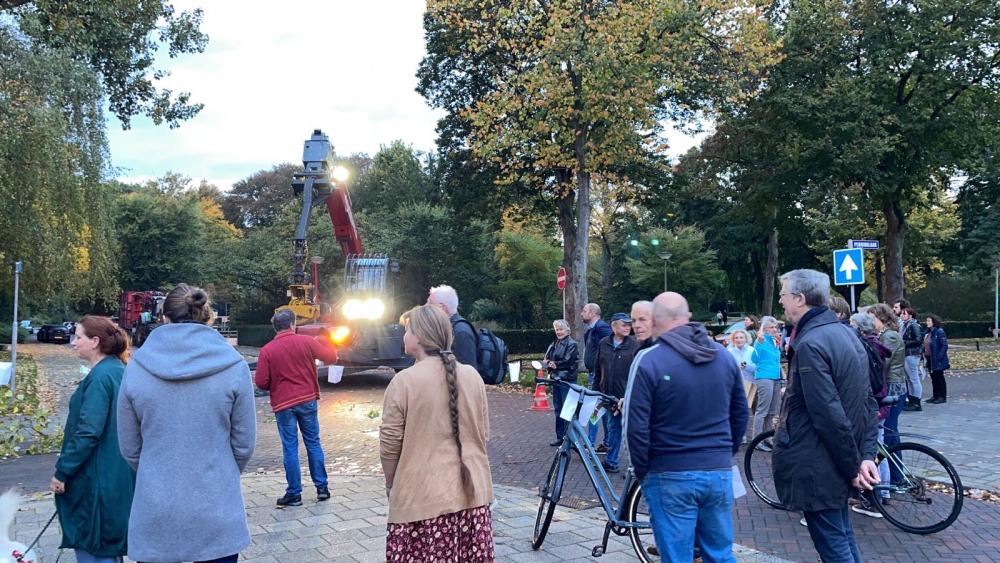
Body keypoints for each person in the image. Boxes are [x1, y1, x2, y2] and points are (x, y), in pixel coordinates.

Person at [117, 284, 257, 563]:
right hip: (216, 504)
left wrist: (157, 471)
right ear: (208, 317)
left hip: (156, 506)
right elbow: (244, 445)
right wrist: (220, 472)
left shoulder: (135, 368)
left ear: (164, 318)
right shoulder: (234, 366)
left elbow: (130, 448)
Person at [626, 292, 748, 563]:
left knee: (677, 556)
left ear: (656, 321)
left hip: (669, 471)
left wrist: (643, 471)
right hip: (718, 471)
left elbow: (635, 426)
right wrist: (723, 455)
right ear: (689, 317)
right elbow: (740, 414)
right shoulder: (723, 356)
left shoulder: (649, 360)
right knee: (720, 554)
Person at [772, 270, 878, 563]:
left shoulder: (809, 343)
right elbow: (867, 400)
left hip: (819, 463)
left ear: (800, 299)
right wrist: (864, 455)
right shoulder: (847, 333)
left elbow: (828, 414)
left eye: (783, 295)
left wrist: (854, 466)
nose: (780, 301)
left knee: (834, 546)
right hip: (836, 459)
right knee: (842, 537)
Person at [380, 305, 494, 562]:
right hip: (472, 495)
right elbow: (483, 434)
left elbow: (389, 444)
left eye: (407, 330)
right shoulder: (472, 376)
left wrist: (390, 484)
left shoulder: (404, 381)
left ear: (419, 336)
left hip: (422, 499)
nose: (403, 336)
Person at [52, 316, 135, 563]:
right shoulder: (117, 370)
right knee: (108, 543)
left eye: (78, 337)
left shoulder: (101, 377)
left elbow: (88, 431)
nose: (73, 343)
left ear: (95, 341)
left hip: (96, 476)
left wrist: (62, 472)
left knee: (94, 543)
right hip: (116, 473)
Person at [254, 308, 340, 506]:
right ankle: (322, 488)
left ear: (275, 327)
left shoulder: (267, 350)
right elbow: (331, 358)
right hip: (307, 399)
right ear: (292, 324)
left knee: (290, 448)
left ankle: (294, 494)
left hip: (284, 404)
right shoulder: (306, 342)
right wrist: (326, 339)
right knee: (313, 442)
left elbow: (261, 382)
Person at [848, 313, 892, 518]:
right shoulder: (877, 345)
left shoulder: (863, 347)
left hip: (870, 402)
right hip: (880, 397)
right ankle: (881, 492)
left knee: (870, 451)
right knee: (878, 447)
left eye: (851, 325)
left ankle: (874, 500)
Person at [593, 313, 639, 474]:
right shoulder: (603, 343)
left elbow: (639, 374)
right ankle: (611, 461)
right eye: (624, 324)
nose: (628, 327)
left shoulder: (635, 345)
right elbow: (598, 369)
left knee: (633, 432)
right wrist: (595, 393)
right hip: (608, 396)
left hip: (628, 398)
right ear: (614, 326)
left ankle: (637, 466)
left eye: (629, 324)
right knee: (613, 429)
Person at [868, 304, 906, 458]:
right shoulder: (883, 335)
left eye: (872, 319)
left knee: (889, 434)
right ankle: (897, 476)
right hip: (891, 385)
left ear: (882, 318)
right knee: (890, 433)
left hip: (892, 387)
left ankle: (897, 476)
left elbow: (882, 362)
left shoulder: (889, 336)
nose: (869, 323)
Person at [581, 303, 613, 450]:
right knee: (602, 411)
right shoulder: (592, 330)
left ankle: (589, 444)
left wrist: (602, 372)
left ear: (592, 314)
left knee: (593, 409)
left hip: (598, 377)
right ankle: (607, 443)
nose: (582, 313)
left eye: (584, 311)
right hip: (594, 374)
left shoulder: (601, 328)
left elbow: (610, 350)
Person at [543, 319, 580, 446]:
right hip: (556, 379)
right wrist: (550, 364)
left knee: (567, 409)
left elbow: (568, 361)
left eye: (561, 329)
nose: (558, 332)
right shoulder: (554, 344)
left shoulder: (571, 344)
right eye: (557, 329)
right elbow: (546, 359)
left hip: (567, 380)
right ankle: (560, 437)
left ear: (567, 330)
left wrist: (555, 364)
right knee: (558, 408)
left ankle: (570, 438)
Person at [750, 317, 783, 450]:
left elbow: (776, 361)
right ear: (764, 329)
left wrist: (782, 376)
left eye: (775, 327)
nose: (774, 330)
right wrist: (758, 343)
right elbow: (754, 359)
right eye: (771, 327)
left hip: (775, 378)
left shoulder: (773, 341)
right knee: (762, 411)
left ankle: (767, 437)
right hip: (764, 377)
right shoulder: (761, 341)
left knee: (771, 412)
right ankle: (757, 441)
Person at [428, 284, 477, 367]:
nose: (426, 306)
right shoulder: (452, 328)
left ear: (442, 307)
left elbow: (468, 372)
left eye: (430, 302)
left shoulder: (460, 332)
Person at [899, 307, 924, 411]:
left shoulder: (913, 325)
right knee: (909, 379)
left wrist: (904, 342)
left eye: (904, 314)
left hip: (912, 353)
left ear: (910, 315)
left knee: (913, 378)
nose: (901, 315)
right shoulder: (905, 325)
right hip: (907, 353)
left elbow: (918, 340)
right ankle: (912, 400)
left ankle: (917, 402)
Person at [924, 314, 950, 404]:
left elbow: (944, 345)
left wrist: (939, 356)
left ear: (933, 322)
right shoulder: (927, 332)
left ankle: (942, 396)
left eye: (928, 321)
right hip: (929, 358)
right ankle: (935, 395)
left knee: (939, 377)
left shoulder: (939, 331)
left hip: (937, 358)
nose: (927, 323)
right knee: (933, 377)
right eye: (926, 321)